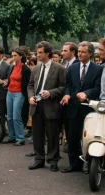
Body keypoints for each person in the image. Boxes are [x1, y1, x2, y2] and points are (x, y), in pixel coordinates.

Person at [60, 41, 103, 173]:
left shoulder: (98, 69)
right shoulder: (73, 68)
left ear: (90, 53)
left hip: (89, 109)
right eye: (79, 51)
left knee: (89, 138)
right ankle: (74, 164)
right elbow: (68, 85)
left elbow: (98, 88)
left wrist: (86, 93)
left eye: (83, 52)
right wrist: (67, 95)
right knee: (73, 138)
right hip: (73, 108)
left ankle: (90, 165)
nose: (80, 54)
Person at [27, 41, 65, 172]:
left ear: (47, 53)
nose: (37, 55)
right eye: (37, 53)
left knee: (52, 134)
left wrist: (50, 93)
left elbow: (63, 87)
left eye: (40, 53)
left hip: (51, 106)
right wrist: (31, 96)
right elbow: (30, 85)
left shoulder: (59, 68)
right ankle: (39, 160)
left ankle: (53, 160)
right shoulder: (36, 68)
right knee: (37, 135)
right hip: (36, 105)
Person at [2, 47, 31, 146]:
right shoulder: (13, 67)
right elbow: (11, 79)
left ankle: (20, 138)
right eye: (12, 55)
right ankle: (12, 136)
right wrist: (6, 83)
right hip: (10, 92)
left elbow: (28, 83)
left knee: (16, 117)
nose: (13, 57)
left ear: (20, 56)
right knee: (9, 117)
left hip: (19, 93)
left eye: (15, 55)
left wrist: (25, 95)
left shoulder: (25, 69)